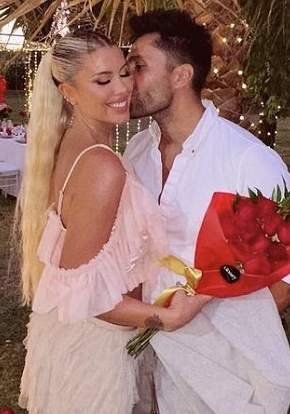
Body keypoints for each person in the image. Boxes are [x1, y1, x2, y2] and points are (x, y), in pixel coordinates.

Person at [124, 10, 290, 413]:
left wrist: (228, 336)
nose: (127, 77)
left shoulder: (247, 159)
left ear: (181, 75)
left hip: (218, 371)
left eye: (139, 66)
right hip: (141, 342)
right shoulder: (137, 151)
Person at [16, 29, 211, 414]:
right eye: (102, 81)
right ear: (68, 92)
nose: (122, 88)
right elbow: (87, 297)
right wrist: (168, 318)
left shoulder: (77, 145)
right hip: (92, 351)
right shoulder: (101, 166)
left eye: (124, 72)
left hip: (80, 339)